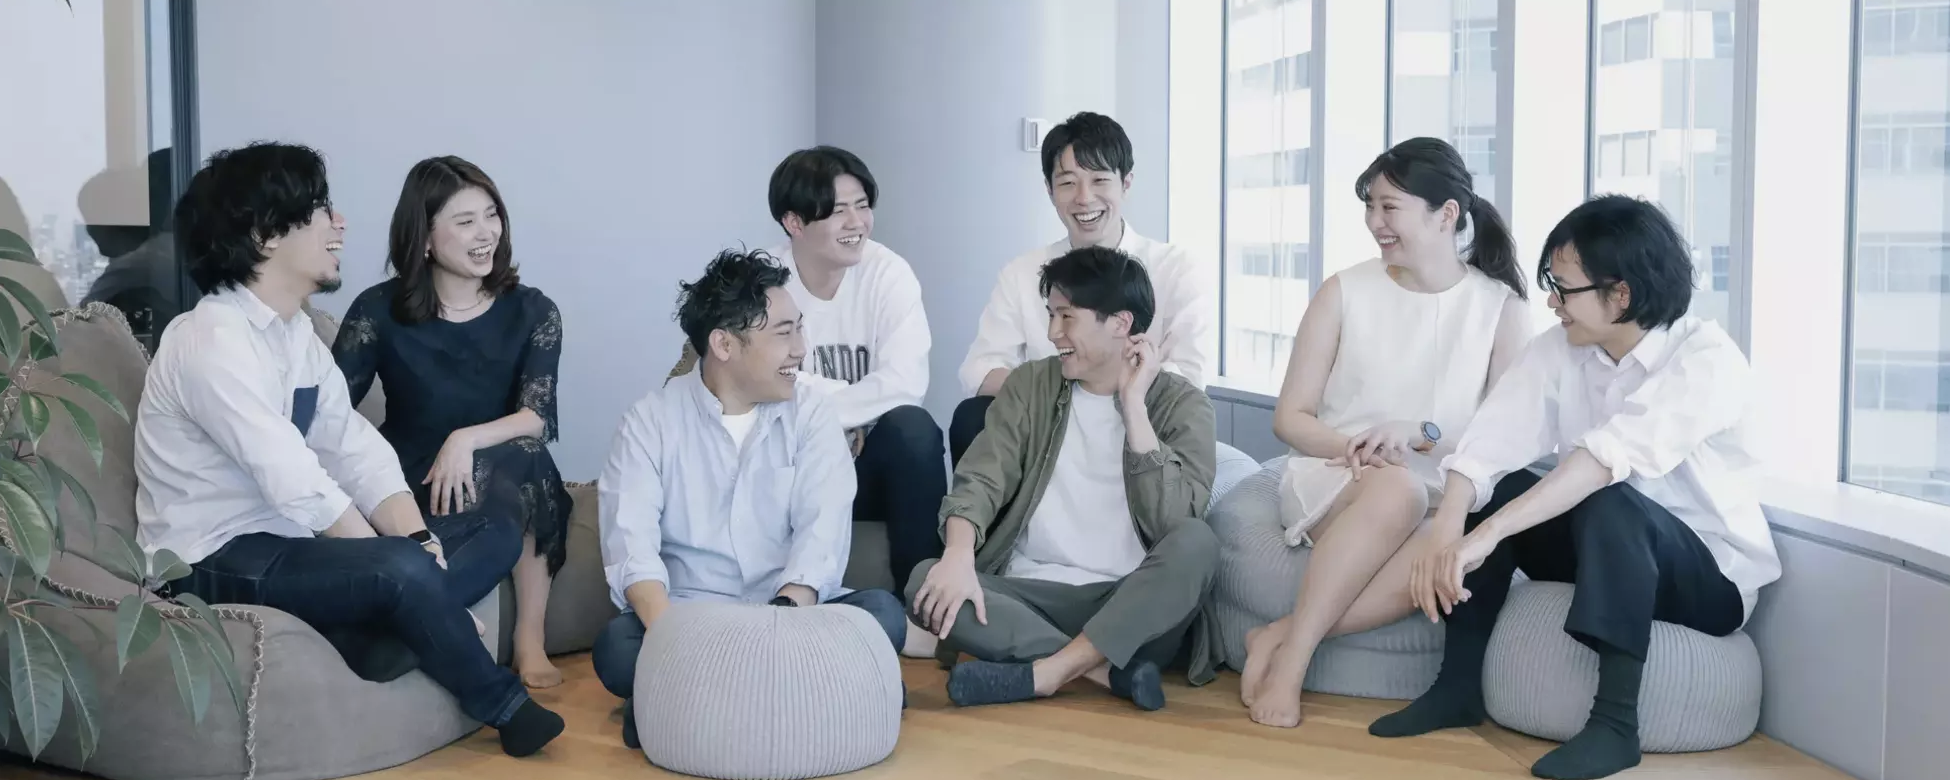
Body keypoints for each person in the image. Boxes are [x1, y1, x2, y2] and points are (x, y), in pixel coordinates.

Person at [133, 141, 563, 757]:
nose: (340, 224)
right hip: (211, 556)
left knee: (488, 535)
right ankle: (503, 705)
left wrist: (421, 544)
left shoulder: (295, 336)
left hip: (293, 545)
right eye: (320, 211)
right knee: (399, 569)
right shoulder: (210, 341)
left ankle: (383, 628)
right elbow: (294, 478)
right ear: (264, 235)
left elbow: (356, 448)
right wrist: (404, 564)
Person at [1368, 194, 1782, 780]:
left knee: (1606, 498)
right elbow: (1489, 440)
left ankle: (1615, 726)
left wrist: (1485, 536)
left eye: (1563, 289)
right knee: (1502, 487)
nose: (1551, 302)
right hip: (1608, 550)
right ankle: (1457, 687)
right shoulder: (1563, 348)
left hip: (1708, 578)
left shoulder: (1706, 361)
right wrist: (1448, 529)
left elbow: (1600, 463)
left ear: (1621, 294)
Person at [1237, 137, 1534, 728]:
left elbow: (1508, 437)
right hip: (1338, 475)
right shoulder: (1344, 290)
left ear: (1446, 214)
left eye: (1389, 207)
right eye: (1370, 206)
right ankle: (1293, 664)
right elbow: (1290, 418)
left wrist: (1422, 433)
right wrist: (1358, 449)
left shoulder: (1501, 308)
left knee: (1459, 544)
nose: (1375, 222)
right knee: (1397, 488)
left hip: (1444, 492)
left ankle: (1280, 633)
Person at [592, 248, 909, 748]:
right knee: (617, 649)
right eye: (784, 334)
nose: (801, 349)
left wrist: (780, 623)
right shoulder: (649, 422)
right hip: (692, 621)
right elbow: (632, 549)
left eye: (799, 329)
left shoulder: (812, 414)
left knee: (883, 616)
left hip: (794, 615)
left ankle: (690, 702)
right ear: (723, 344)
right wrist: (671, 641)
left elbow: (821, 533)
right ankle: (819, 695)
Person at [907, 245, 1218, 711]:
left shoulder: (1183, 405)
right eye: (1051, 315)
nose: (1053, 333)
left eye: (1066, 317)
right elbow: (980, 479)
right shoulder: (1030, 385)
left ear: (1121, 323)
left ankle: (1047, 669)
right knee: (924, 580)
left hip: (1130, 603)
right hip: (1031, 595)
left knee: (1198, 543)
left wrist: (1134, 408)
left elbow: (1174, 521)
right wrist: (957, 556)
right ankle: (1100, 670)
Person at [331, 155, 573, 689]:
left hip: (498, 474)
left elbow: (535, 418)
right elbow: (330, 415)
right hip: (408, 484)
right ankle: (407, 620)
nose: (486, 233)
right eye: (465, 222)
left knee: (527, 460)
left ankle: (528, 640)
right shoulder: (377, 310)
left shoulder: (534, 311)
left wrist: (464, 440)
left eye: (492, 215)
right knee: (513, 478)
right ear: (423, 238)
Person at [950, 111, 1216, 465]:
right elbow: (979, 370)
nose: (1084, 198)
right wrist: (1062, 394)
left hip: (1138, 427)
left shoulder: (1176, 269)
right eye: (1067, 183)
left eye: (1100, 180)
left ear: (1126, 183)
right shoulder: (1023, 273)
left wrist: (1104, 391)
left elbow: (1188, 377)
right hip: (1047, 429)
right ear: (1049, 191)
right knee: (972, 416)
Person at [762, 146, 947, 610]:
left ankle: (920, 607)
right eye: (837, 210)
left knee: (913, 428)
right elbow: (761, 380)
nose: (856, 223)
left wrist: (821, 402)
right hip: (792, 461)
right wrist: (840, 420)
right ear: (794, 222)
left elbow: (906, 383)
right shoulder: (764, 282)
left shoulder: (888, 273)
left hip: (865, 463)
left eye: (862, 206)